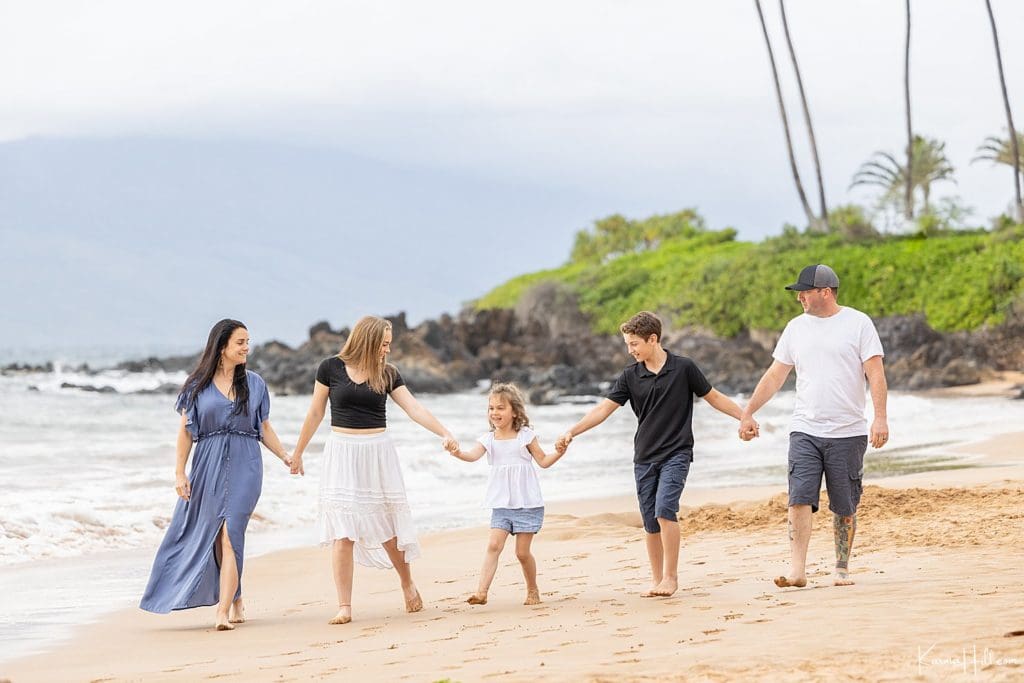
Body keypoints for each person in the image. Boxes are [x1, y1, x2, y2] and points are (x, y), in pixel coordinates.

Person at [555, 311, 744, 598]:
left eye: (634, 344)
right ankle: (657, 581)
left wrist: (745, 417)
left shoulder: (683, 368)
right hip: (644, 457)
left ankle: (670, 577)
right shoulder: (631, 376)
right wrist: (573, 431)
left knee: (665, 510)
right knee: (650, 522)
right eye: (628, 345)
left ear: (652, 339)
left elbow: (713, 397)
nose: (630, 350)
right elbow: (603, 410)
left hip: (677, 453)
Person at [290, 315, 457, 625]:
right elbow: (315, 412)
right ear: (367, 340)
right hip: (341, 452)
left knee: (387, 529)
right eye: (383, 344)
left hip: (377, 452)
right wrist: (297, 453)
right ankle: (345, 606)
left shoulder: (388, 373)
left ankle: (406, 582)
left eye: (389, 345)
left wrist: (444, 433)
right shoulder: (330, 368)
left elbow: (414, 408)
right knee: (343, 531)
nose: (387, 351)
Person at [738, 264, 888, 588]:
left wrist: (880, 417)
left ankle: (842, 567)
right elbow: (776, 375)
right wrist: (747, 410)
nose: (800, 298)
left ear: (825, 292)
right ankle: (797, 570)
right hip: (805, 429)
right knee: (799, 497)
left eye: (804, 292)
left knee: (844, 504)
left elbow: (875, 372)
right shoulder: (795, 328)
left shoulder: (858, 324)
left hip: (848, 431)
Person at [140, 319, 292, 631]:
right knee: (210, 535)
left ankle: (222, 612)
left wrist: (286, 456)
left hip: (246, 464)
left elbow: (263, 427)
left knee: (230, 532)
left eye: (248, 341)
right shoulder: (197, 386)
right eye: (240, 342)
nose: (246, 347)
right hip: (206, 465)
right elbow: (185, 432)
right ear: (222, 347)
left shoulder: (255, 384)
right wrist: (179, 473)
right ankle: (235, 598)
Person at [446, 382, 565, 606]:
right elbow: (471, 456)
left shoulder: (525, 436)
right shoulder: (488, 439)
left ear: (515, 411)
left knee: (522, 553)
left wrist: (559, 452)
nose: (494, 412)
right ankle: (481, 592)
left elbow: (543, 461)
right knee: (493, 545)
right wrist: (456, 452)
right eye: (491, 408)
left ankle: (532, 589)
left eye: (500, 408)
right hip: (501, 503)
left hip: (527, 503)